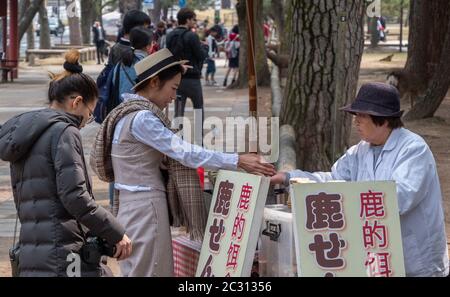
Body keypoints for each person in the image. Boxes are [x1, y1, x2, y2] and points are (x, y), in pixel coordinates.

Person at [90, 49, 276, 277]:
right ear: (154, 82)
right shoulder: (143, 118)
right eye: (174, 88)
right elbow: (185, 153)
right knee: (153, 271)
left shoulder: (125, 114)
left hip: (129, 205)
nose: (174, 96)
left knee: (137, 270)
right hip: (146, 207)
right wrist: (237, 160)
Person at [271, 82, 449, 277]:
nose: (356, 121)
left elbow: (399, 197)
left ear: (383, 119)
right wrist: (289, 177)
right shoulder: (360, 150)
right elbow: (334, 179)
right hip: (380, 257)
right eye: (356, 115)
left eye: (362, 115)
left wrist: (347, 201)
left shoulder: (413, 150)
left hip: (415, 261)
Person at [0, 50, 132, 277]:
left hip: (32, 253)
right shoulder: (65, 131)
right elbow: (75, 196)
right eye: (89, 114)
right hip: (63, 253)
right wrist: (116, 232)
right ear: (76, 102)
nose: (86, 122)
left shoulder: (24, 132)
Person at [166, 8, 208, 120]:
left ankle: (178, 136)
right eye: (193, 19)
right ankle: (199, 137)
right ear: (187, 19)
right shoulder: (192, 35)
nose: (195, 22)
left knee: (178, 112)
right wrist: (205, 47)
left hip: (176, 78)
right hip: (193, 78)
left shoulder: (170, 35)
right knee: (198, 109)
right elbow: (201, 56)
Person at [113, 27, 153, 99]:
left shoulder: (120, 63)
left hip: (121, 107)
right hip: (141, 107)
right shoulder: (148, 64)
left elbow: (114, 83)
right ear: (148, 47)